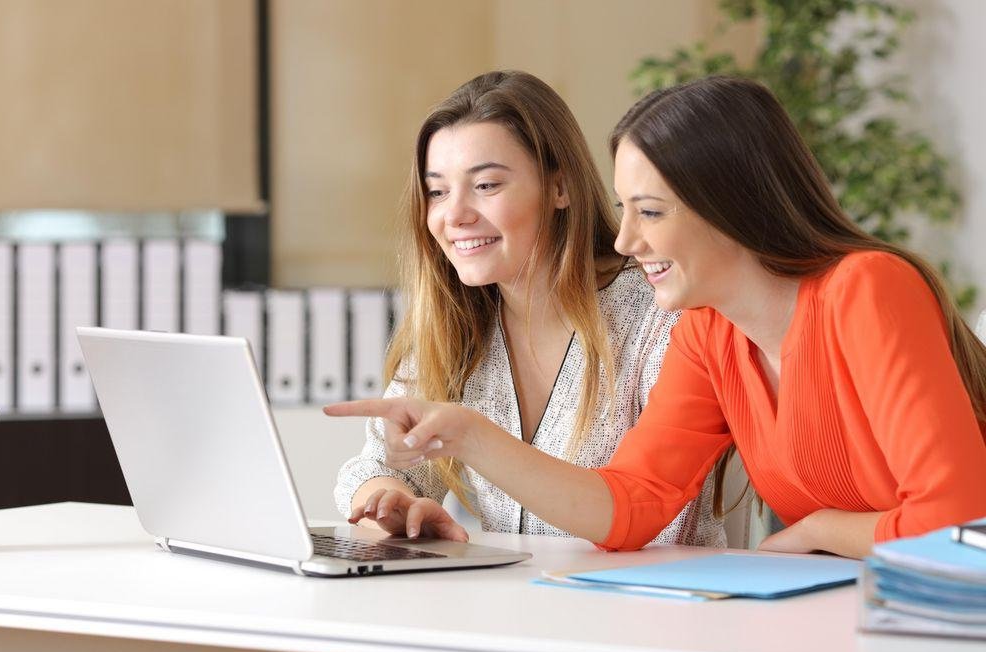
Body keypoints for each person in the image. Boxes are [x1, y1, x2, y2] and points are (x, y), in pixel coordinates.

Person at [327, 76, 986, 559]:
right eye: (626, 207)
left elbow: (957, 523)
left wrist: (821, 530)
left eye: (650, 211)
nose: (624, 240)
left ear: (728, 205)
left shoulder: (867, 288)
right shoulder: (711, 334)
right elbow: (630, 504)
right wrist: (472, 436)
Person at [333, 71, 725, 547]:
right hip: (521, 611)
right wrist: (391, 501)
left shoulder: (661, 314)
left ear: (560, 188)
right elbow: (377, 467)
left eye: (486, 185)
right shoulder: (459, 323)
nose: (453, 215)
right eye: (437, 191)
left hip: (655, 609)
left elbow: (641, 507)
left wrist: (472, 437)